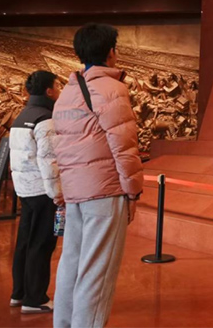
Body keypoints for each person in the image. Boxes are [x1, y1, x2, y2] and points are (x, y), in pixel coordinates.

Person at [52, 23, 143, 328]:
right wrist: (133, 191)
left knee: (71, 263)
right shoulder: (112, 89)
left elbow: (59, 146)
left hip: (75, 192)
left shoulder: (66, 92)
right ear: (111, 52)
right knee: (97, 271)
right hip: (105, 191)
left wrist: (62, 191)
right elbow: (124, 146)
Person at [9, 70, 64, 314]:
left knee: (25, 242)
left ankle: (19, 293)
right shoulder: (45, 119)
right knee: (42, 243)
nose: (59, 90)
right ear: (49, 91)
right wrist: (57, 192)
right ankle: (35, 299)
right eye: (57, 86)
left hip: (25, 189)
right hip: (42, 190)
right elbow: (49, 160)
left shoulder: (21, 116)